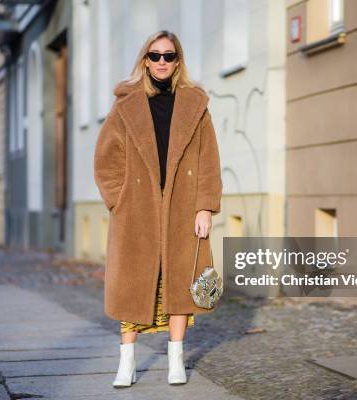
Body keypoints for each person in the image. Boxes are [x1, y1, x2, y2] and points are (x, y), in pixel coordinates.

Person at [94, 30, 222, 388]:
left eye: (168, 56)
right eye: (155, 56)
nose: (161, 62)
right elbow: (106, 160)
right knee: (131, 282)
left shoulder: (196, 105)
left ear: (178, 61)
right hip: (137, 209)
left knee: (179, 282)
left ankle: (176, 359)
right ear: (144, 60)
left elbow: (209, 159)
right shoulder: (126, 104)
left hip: (183, 204)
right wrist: (118, 199)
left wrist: (205, 208)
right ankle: (127, 361)